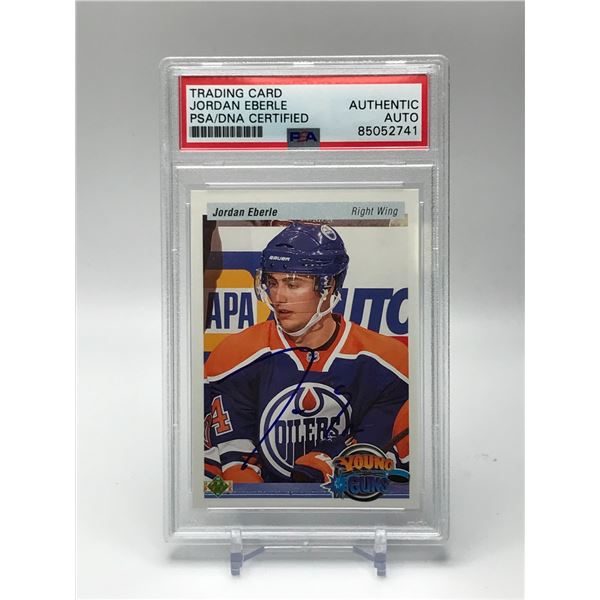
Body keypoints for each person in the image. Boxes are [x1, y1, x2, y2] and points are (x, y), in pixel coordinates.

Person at [204, 222, 409, 484]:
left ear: (329, 286)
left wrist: (331, 463)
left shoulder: (389, 362)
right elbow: (234, 466)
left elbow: (374, 449)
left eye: (292, 284)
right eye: (272, 282)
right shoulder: (235, 356)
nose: (278, 297)